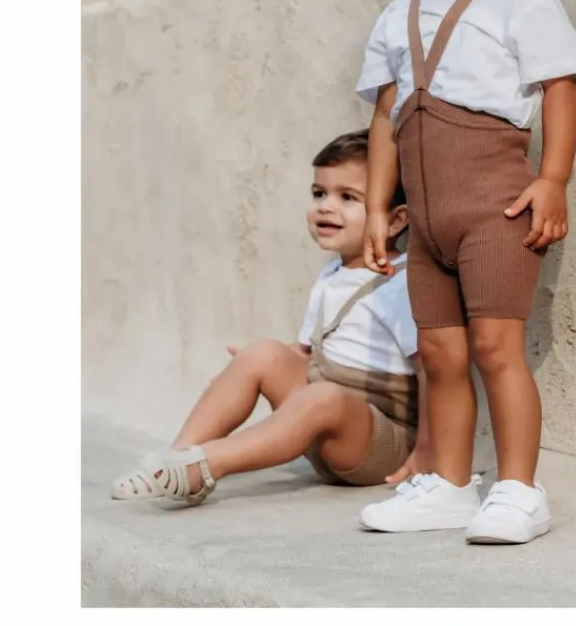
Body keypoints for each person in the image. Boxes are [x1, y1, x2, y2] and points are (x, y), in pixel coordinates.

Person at [355, 0, 576, 544]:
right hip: (428, 225)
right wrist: (377, 209)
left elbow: (559, 86)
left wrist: (553, 179)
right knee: (441, 355)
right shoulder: (395, 16)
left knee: (495, 349)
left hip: (496, 210)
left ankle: (518, 489)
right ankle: (451, 487)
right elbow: (387, 118)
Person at [110, 130, 430, 504]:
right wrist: (244, 370)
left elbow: (432, 371)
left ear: (394, 220)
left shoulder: (401, 284)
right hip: (321, 424)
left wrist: (429, 448)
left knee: (324, 396)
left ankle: (207, 464)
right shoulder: (333, 274)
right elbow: (308, 353)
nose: (326, 207)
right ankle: (175, 461)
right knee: (263, 352)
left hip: (379, 442)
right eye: (319, 194)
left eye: (348, 197)